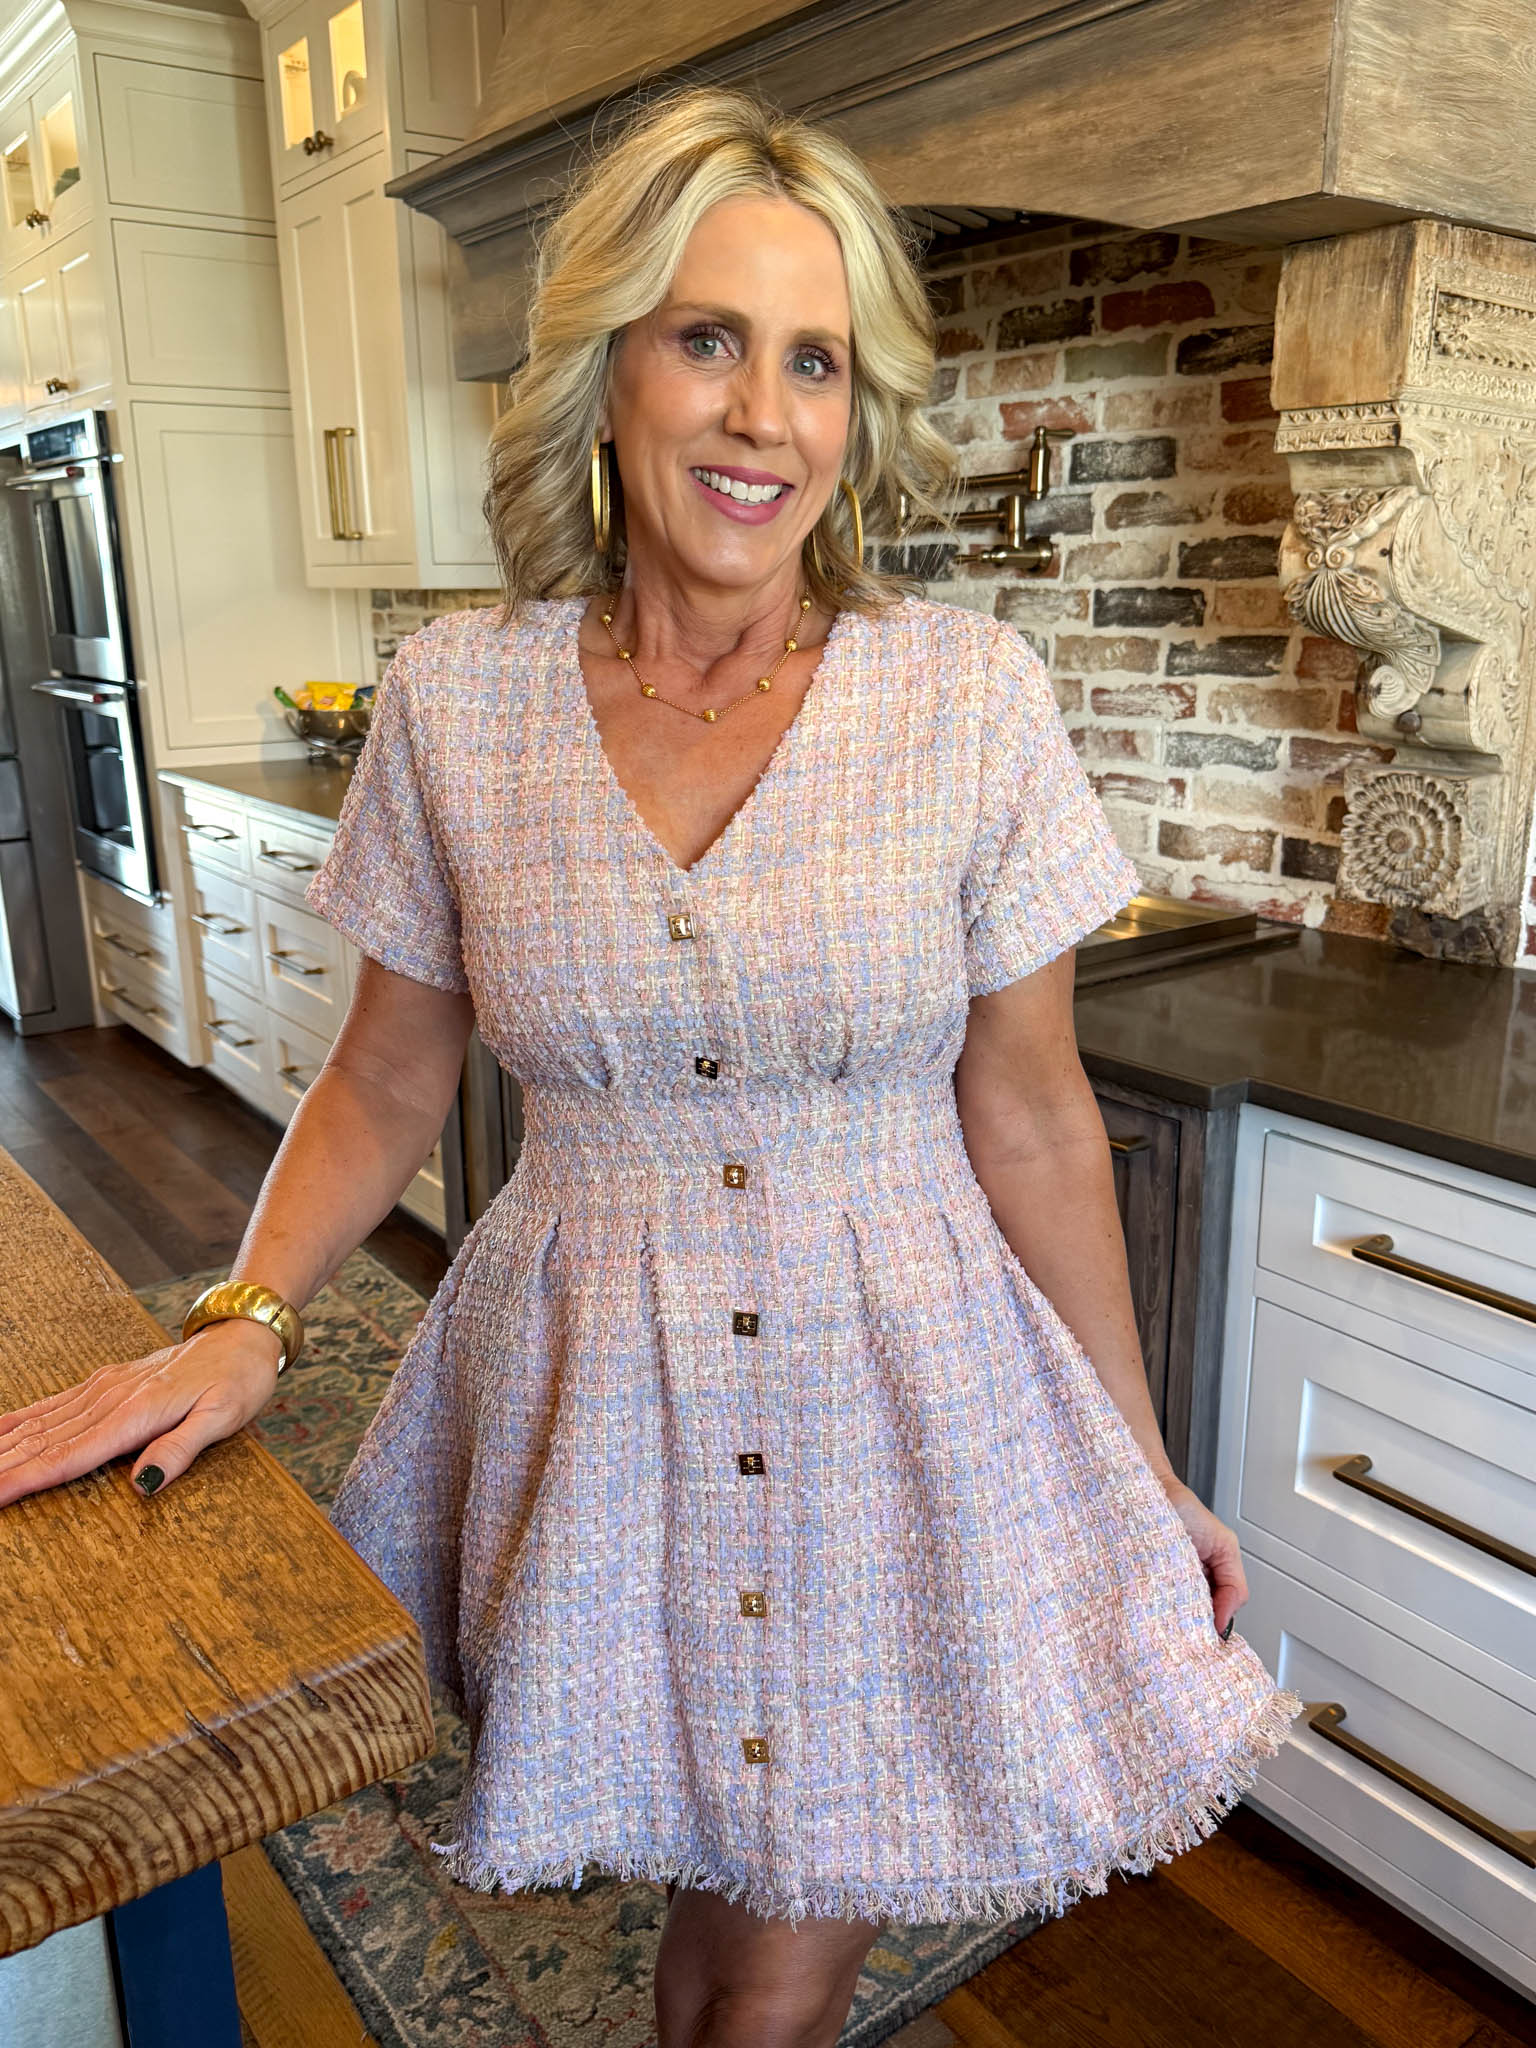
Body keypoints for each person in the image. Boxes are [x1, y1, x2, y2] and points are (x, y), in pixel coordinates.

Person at [0, 84, 1303, 2048]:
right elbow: (384, 1074)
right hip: (595, 1385)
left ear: (857, 409)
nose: (763, 415)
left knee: (776, 1963)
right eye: (709, 340)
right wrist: (249, 1314)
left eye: (815, 361)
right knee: (719, 1886)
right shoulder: (457, 701)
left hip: (895, 1392)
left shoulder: (968, 699)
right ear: (607, 369)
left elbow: (1034, 1111)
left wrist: (1134, 1460)